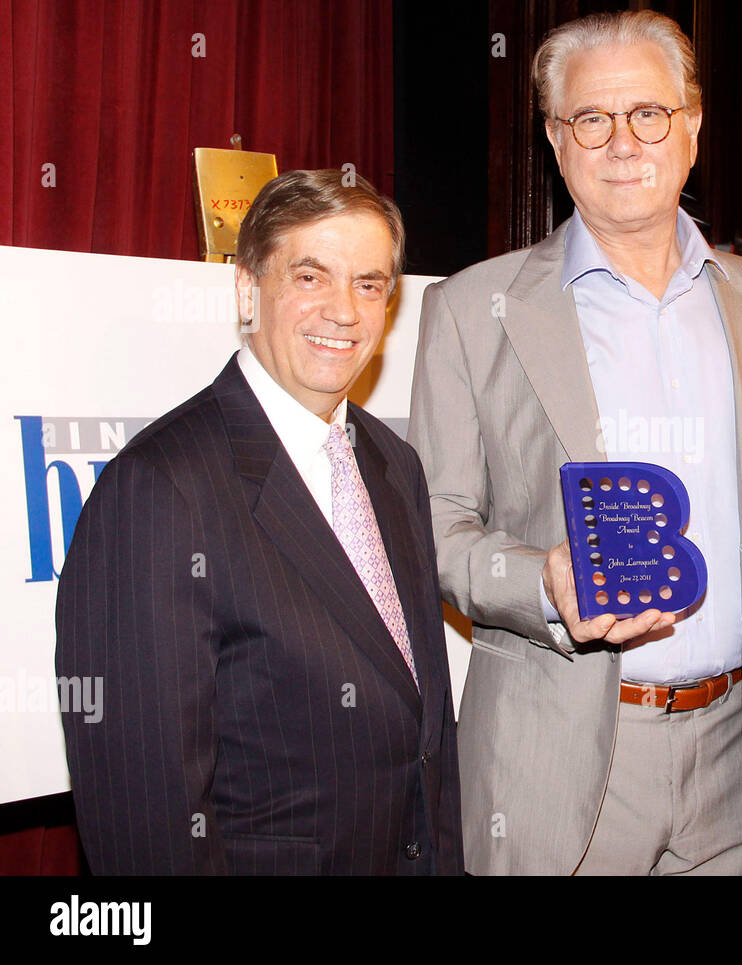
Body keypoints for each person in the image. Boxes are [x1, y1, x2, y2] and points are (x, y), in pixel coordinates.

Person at [408, 10, 742, 875]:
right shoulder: (469, 309)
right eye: (589, 120)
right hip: (555, 763)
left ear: (691, 129)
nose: (622, 143)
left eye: (648, 113)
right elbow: (434, 525)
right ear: (555, 140)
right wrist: (542, 578)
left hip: (740, 760)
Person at [56, 170, 463, 874]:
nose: (344, 311)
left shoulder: (395, 467)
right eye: (311, 276)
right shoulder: (158, 491)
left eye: (369, 284)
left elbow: (424, 737)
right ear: (248, 290)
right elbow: (145, 819)